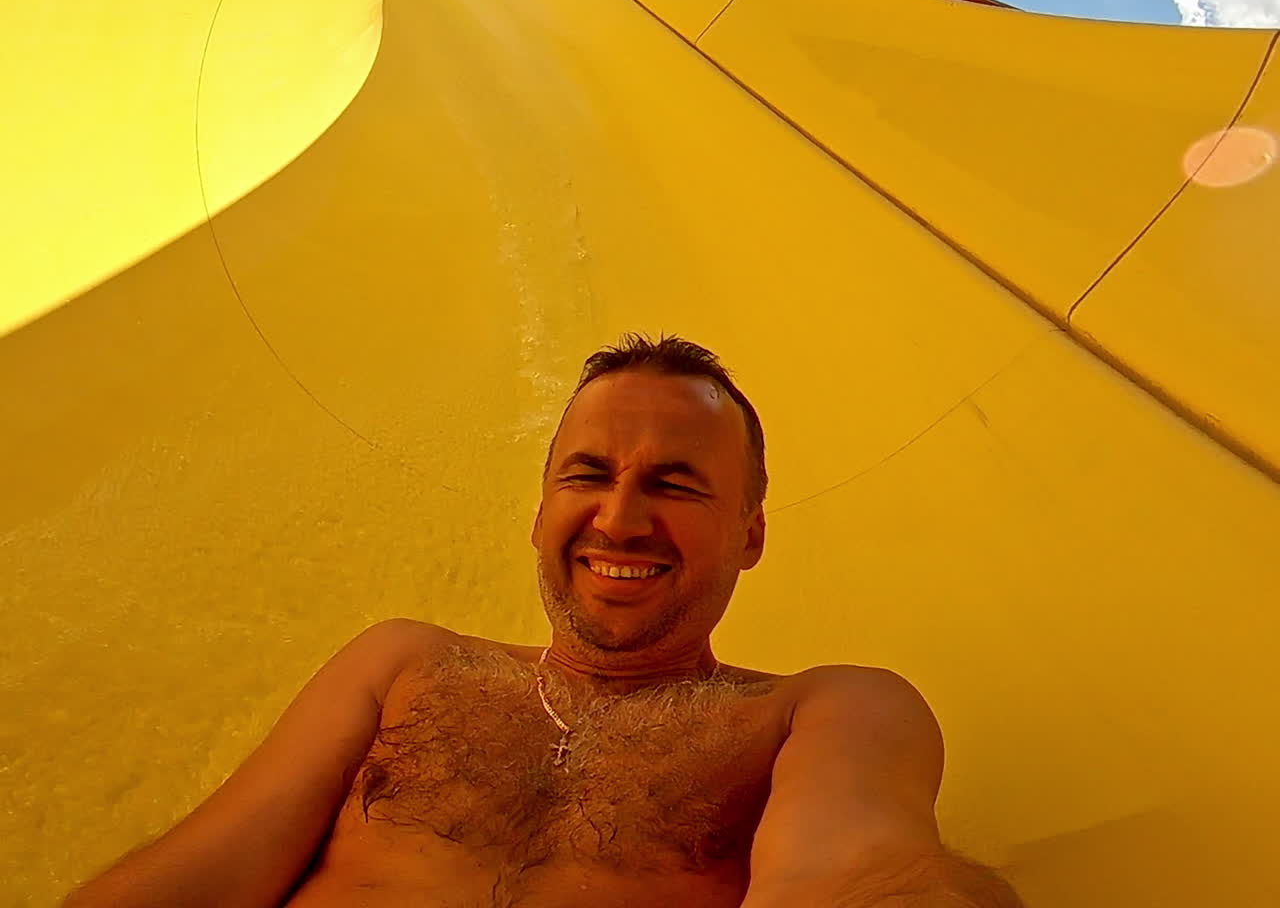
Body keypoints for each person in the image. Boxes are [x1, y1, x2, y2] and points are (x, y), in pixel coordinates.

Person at [65, 333, 1025, 908]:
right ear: (539, 514)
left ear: (750, 534)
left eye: (675, 484)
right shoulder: (404, 664)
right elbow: (203, 873)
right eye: (588, 474)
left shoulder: (822, 713)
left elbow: (861, 875)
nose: (620, 518)